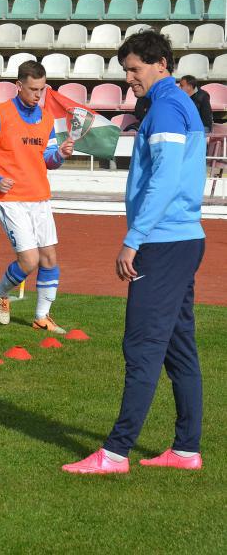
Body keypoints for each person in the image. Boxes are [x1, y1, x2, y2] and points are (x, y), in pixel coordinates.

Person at [63, 30, 206, 474]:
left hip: (163, 241)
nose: (129, 78)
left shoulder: (166, 106)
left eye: (134, 69)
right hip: (181, 239)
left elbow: (165, 178)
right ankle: (186, 449)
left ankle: (115, 452)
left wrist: (134, 238)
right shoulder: (176, 103)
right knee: (179, 348)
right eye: (126, 71)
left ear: (161, 63)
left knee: (142, 346)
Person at [0, 61, 75, 334]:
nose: (38, 95)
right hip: (10, 197)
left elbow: (48, 160)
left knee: (49, 258)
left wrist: (60, 154)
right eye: (33, 89)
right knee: (29, 261)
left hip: (39, 196)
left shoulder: (47, 119)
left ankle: (42, 317)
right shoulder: (0, 114)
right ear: (19, 86)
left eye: (42, 89)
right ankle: (1, 291)